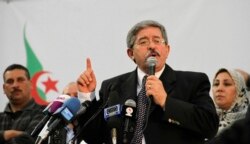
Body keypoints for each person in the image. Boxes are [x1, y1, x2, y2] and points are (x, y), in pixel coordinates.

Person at [76, 20, 219, 144]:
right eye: (143, 42)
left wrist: (166, 102)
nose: (152, 46)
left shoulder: (193, 82)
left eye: (157, 41)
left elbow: (210, 127)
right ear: (131, 53)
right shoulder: (113, 87)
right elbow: (93, 137)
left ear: (167, 50)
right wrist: (87, 96)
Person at [0, 64, 44, 144]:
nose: (15, 85)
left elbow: (28, 141)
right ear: (4, 88)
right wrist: (5, 135)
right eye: (10, 81)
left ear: (30, 84)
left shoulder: (44, 113)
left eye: (20, 80)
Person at [211, 68, 250, 135]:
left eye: (227, 84)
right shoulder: (204, 121)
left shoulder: (246, 126)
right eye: (216, 84)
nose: (219, 89)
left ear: (241, 91)